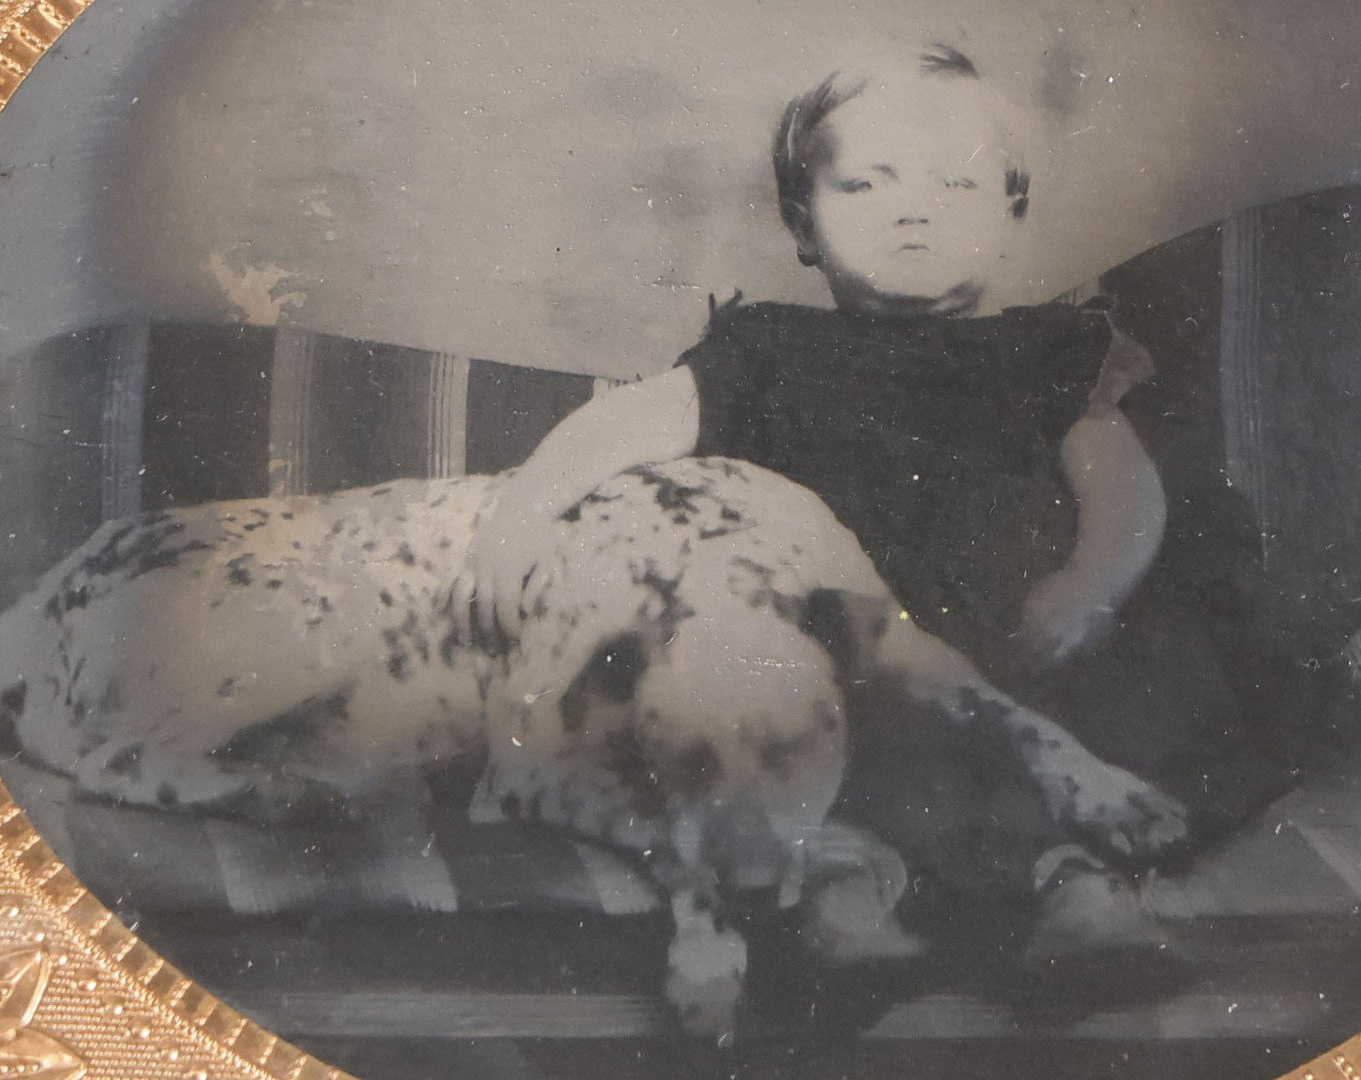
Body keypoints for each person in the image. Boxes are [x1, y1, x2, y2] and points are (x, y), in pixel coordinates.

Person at [460, 44, 1175, 966]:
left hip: (1029, 618)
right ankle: (854, 887)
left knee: (1101, 716)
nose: (911, 209)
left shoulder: (1043, 353)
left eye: (954, 187)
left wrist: (1093, 583)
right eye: (865, 187)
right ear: (802, 225)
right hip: (855, 639)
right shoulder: (768, 349)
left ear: (1011, 216)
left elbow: (1123, 488)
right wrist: (523, 513)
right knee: (806, 724)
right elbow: (628, 424)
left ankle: (1079, 891)